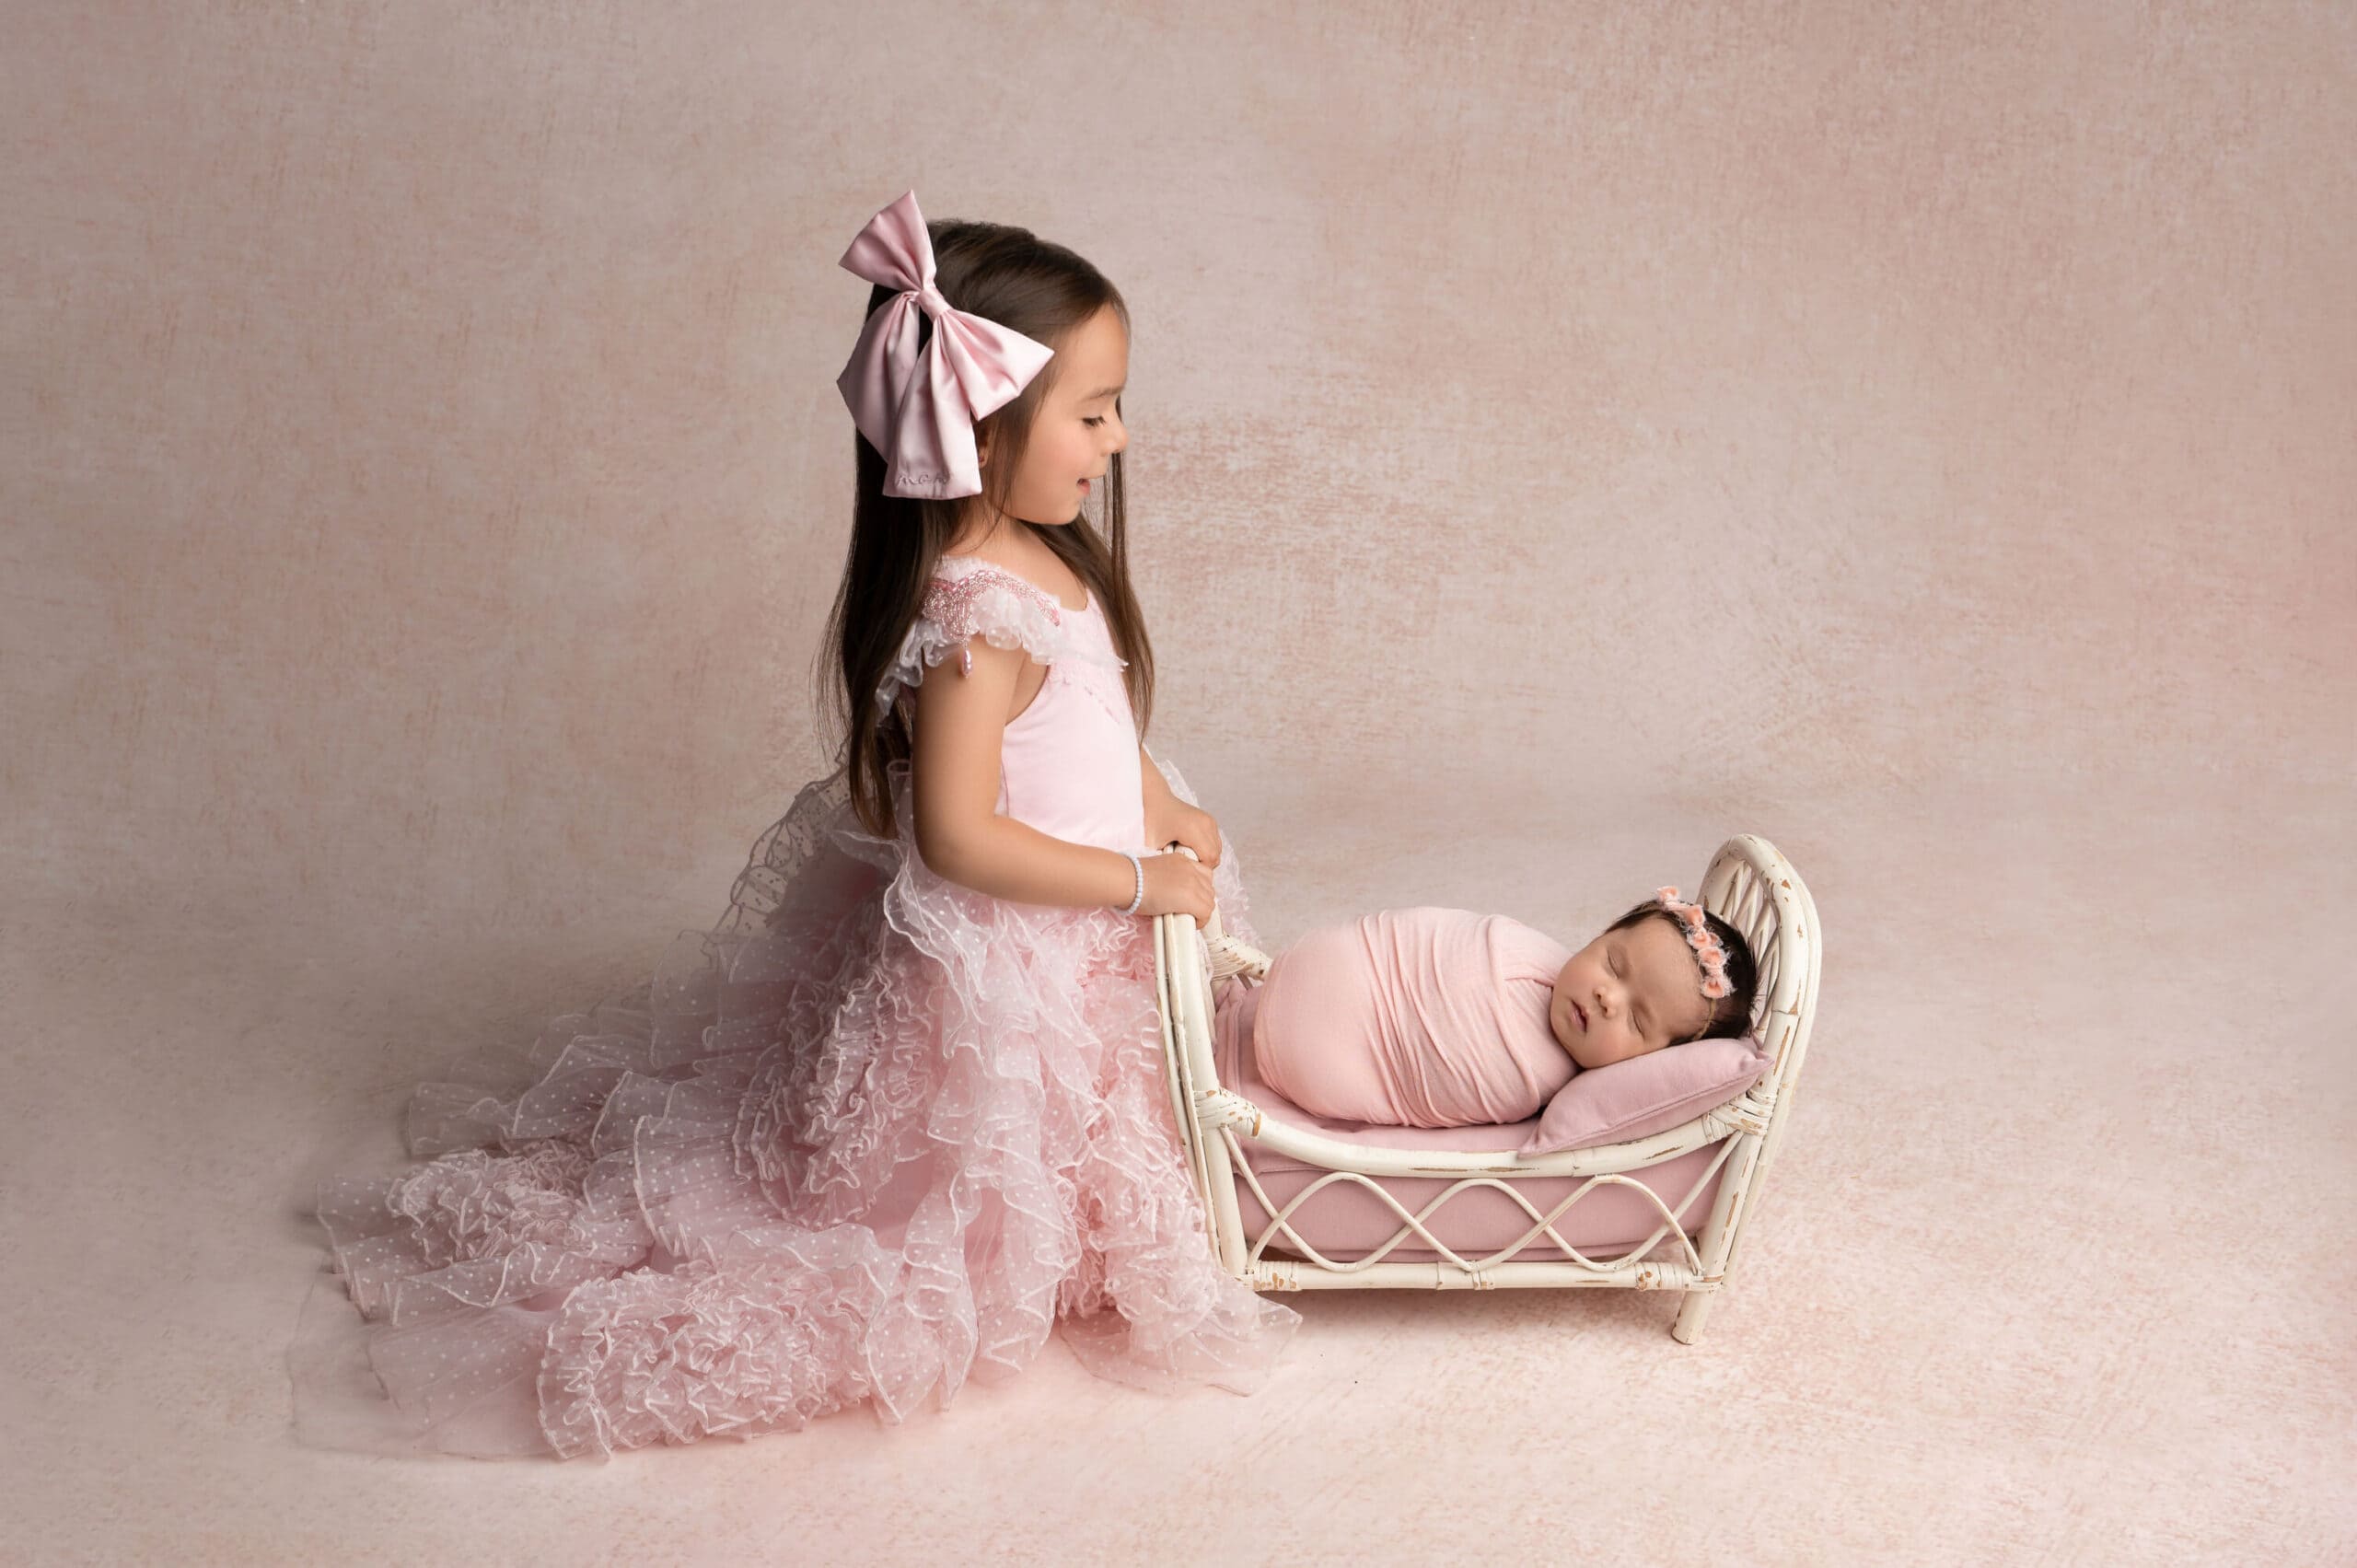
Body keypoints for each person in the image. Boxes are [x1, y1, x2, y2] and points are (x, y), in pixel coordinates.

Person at [292, 190, 1299, 1461]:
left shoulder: (1057, 564)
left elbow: (1092, 730)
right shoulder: (975, 623)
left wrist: (1161, 802)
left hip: (1090, 909)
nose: (1122, 433)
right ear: (983, 431)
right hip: (1013, 959)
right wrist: (1135, 878)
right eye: (1093, 412)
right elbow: (961, 839)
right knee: (983, 1204)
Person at [1238, 888, 1759, 1129]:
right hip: (1332, 967)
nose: (1606, 997)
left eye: (1637, 1019)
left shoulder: (1540, 1086)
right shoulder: (1522, 950)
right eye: (1612, 963)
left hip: (1327, 1063)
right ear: (1600, 936)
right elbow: (1425, 939)